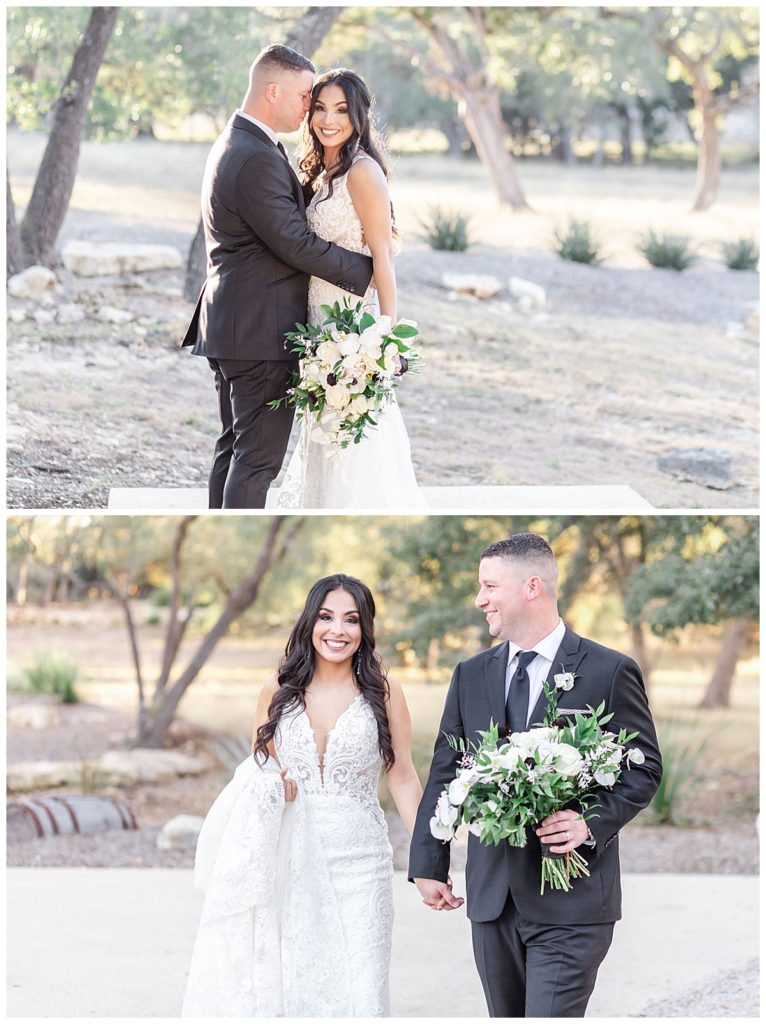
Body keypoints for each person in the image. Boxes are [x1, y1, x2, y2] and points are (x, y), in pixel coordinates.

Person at [408, 532, 663, 1018]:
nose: (479, 599)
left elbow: (644, 767)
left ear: (531, 587)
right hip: (492, 899)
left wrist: (589, 823)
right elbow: (446, 768)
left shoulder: (608, 670)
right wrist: (428, 860)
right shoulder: (471, 674)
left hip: (573, 900)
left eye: (489, 586)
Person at [182, 574, 423, 1017]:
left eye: (351, 620)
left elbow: (403, 775)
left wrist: (429, 857)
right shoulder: (277, 690)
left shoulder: (384, 693)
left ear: (365, 629)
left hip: (361, 864)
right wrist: (276, 784)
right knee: (297, 988)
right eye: (327, 617)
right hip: (291, 858)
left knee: (362, 992)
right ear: (310, 621)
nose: (338, 630)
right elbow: (259, 768)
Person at [181, 46, 373, 509]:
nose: (309, 107)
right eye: (306, 95)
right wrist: (366, 271)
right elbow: (293, 243)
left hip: (234, 325)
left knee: (235, 449)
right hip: (258, 333)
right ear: (273, 91)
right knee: (256, 462)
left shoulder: (241, 141)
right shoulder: (254, 156)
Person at [270, 68, 426, 509]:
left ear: (358, 115)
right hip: (320, 325)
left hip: (353, 329)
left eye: (340, 109)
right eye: (319, 108)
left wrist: (384, 339)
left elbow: (383, 257)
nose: (327, 119)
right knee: (324, 428)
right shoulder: (325, 171)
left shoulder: (362, 172)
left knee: (354, 430)